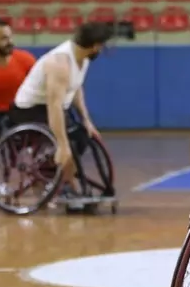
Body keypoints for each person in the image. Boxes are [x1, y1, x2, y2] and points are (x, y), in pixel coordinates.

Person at [10, 21, 113, 201]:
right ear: (96, 45)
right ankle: (64, 183)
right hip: (29, 110)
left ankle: (53, 171)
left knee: (81, 136)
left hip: (53, 107)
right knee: (68, 142)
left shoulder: (83, 58)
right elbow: (54, 105)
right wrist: (62, 144)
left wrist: (86, 120)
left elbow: (76, 88)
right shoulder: (60, 63)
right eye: (102, 46)